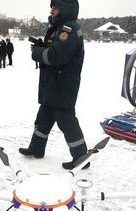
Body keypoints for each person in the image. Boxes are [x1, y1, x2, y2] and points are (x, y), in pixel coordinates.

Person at [19, 0, 88, 170]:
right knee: (43, 119)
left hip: (62, 86)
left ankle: (81, 157)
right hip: (54, 85)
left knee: (67, 122)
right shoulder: (60, 28)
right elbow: (54, 49)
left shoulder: (68, 30)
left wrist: (36, 52)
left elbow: (56, 56)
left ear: (64, 9)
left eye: (55, 8)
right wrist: (43, 46)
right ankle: (36, 148)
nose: (51, 11)